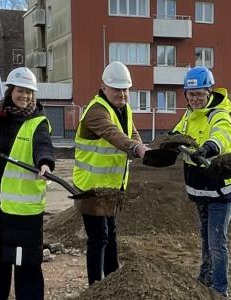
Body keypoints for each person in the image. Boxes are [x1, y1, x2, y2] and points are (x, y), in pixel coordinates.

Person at [0, 67, 55, 300]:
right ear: (11, 91)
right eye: (20, 91)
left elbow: (43, 146)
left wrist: (45, 163)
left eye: (28, 92)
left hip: (22, 211)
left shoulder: (37, 121)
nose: (24, 96)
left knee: (25, 263)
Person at [73, 61, 150, 285]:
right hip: (92, 187)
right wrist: (136, 148)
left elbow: (132, 133)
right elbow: (112, 134)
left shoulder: (124, 109)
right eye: (117, 89)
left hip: (112, 186)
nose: (122, 94)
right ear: (105, 87)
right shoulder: (96, 111)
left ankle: (113, 283)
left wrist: (141, 146)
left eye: (125, 89)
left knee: (112, 234)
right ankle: (96, 287)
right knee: (99, 238)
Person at [171, 66, 231, 297]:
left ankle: (220, 290)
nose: (196, 99)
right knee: (205, 237)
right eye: (191, 95)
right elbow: (178, 133)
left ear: (209, 91)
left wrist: (208, 148)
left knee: (217, 241)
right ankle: (205, 277)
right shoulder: (189, 114)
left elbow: (221, 135)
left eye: (200, 94)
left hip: (220, 189)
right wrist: (168, 142)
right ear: (186, 95)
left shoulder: (218, 114)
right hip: (201, 189)